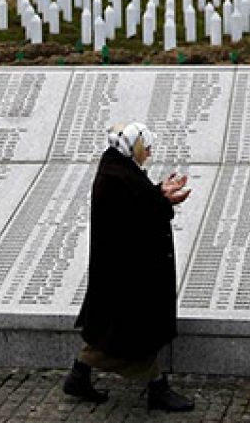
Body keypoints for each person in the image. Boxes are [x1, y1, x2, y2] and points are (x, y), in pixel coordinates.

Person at [63, 122, 195, 413]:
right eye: (145, 148)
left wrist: (159, 192)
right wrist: (163, 201)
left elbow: (137, 204)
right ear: (132, 148)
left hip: (121, 273)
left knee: (111, 335)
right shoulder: (115, 177)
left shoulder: (118, 170)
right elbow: (134, 217)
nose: (149, 153)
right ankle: (158, 389)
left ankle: (78, 376)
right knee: (137, 337)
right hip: (127, 275)